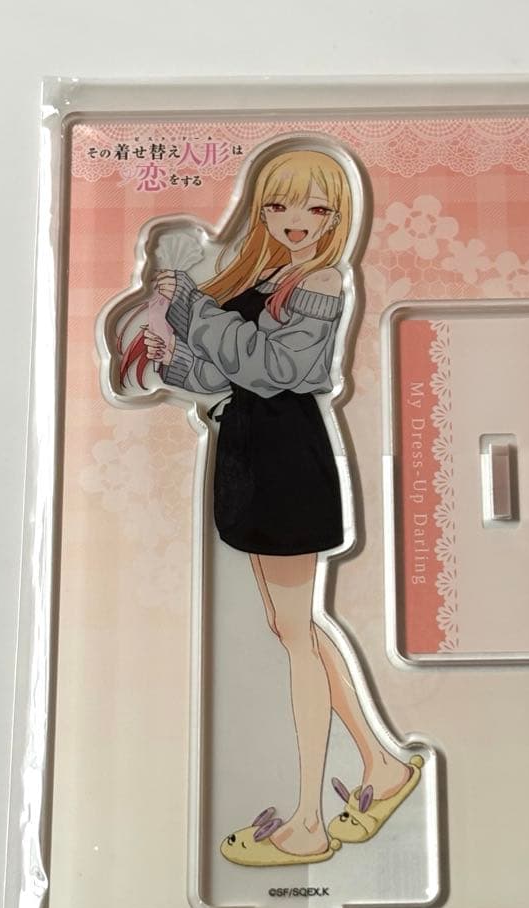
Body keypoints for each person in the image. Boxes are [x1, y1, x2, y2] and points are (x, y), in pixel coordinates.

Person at [123, 146, 423, 867]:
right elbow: (223, 372)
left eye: (316, 208)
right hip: (250, 450)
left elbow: (279, 368)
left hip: (288, 457)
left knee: (296, 634)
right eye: (279, 205)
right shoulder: (263, 277)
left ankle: (309, 823)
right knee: (296, 628)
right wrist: (167, 351)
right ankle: (383, 766)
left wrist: (193, 306)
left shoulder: (321, 280)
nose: (296, 220)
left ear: (337, 216)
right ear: (260, 209)